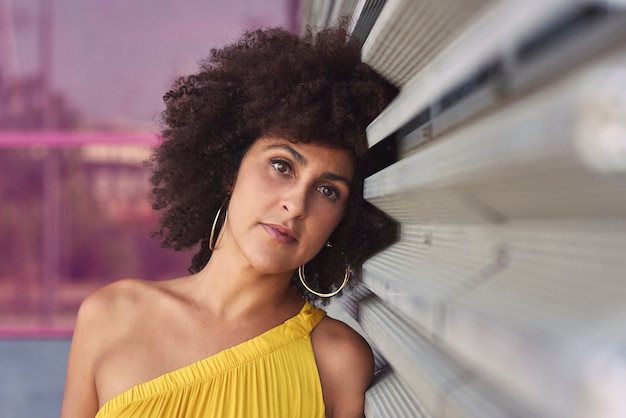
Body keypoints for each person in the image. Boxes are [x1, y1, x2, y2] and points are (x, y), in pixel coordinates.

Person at [61, 22, 397, 418]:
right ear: (228, 171)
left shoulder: (336, 360)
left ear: (344, 218)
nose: (296, 204)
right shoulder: (111, 315)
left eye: (328, 190)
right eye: (281, 165)